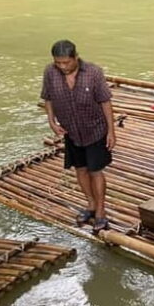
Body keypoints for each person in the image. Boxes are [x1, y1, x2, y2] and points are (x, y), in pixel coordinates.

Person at [41, 40, 116, 233]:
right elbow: (47, 97)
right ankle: (90, 204)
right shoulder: (50, 72)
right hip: (71, 131)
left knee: (95, 171)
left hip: (95, 130)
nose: (62, 67)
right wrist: (51, 121)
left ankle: (100, 211)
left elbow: (105, 102)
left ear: (76, 57)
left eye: (66, 62)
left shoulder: (93, 72)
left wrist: (111, 131)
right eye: (58, 63)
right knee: (80, 170)